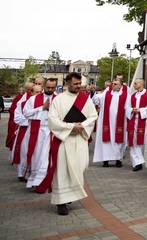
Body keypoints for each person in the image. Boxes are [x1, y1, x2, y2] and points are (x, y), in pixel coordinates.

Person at [45, 72, 98, 215]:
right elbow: (52, 120)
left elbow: (93, 116)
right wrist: (70, 127)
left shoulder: (85, 99)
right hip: (64, 140)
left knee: (79, 167)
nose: (79, 86)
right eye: (75, 84)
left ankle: (70, 195)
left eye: (80, 84)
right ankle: (61, 202)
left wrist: (82, 126)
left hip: (80, 138)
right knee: (63, 170)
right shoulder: (59, 100)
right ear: (67, 83)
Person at [22, 78, 57, 189]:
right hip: (36, 131)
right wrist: (42, 108)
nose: (50, 89)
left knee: (46, 157)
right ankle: (34, 180)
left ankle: (42, 181)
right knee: (36, 156)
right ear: (43, 86)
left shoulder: (58, 100)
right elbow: (26, 113)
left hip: (51, 132)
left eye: (53, 87)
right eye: (48, 87)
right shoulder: (33, 99)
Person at [93, 79, 128, 167]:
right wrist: (93, 91)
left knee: (118, 141)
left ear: (120, 86)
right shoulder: (106, 93)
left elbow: (128, 107)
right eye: (112, 84)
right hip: (106, 121)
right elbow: (96, 100)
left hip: (119, 122)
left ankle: (118, 160)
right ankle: (105, 160)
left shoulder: (126, 95)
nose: (113, 85)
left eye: (115, 84)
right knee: (106, 141)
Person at [13, 83, 40, 181]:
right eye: (36, 92)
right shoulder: (23, 103)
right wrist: (30, 121)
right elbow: (17, 118)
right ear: (31, 93)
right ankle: (22, 173)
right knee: (24, 152)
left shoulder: (44, 103)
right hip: (25, 131)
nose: (39, 94)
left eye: (40, 92)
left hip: (39, 132)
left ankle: (36, 173)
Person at [125, 78, 147, 171]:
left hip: (143, 121)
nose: (134, 85)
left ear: (141, 84)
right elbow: (127, 107)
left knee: (142, 141)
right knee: (133, 142)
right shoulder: (132, 96)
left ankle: (141, 161)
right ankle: (136, 162)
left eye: (135, 83)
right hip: (133, 121)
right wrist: (132, 110)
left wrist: (140, 110)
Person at [7, 81, 32, 153]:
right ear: (25, 90)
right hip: (21, 122)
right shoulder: (19, 97)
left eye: (31, 90)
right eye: (28, 90)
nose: (29, 92)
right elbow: (12, 110)